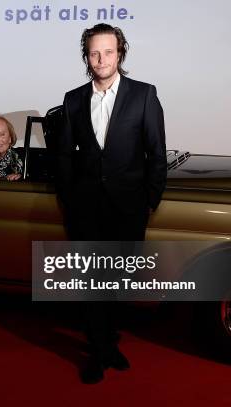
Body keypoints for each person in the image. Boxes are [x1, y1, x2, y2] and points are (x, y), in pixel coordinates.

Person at [56, 23, 167, 383]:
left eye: (108, 51)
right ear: (86, 57)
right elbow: (64, 158)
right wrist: (68, 200)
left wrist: (149, 200)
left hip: (128, 207)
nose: (100, 59)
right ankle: (100, 351)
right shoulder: (73, 99)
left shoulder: (144, 95)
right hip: (85, 208)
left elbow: (157, 154)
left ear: (120, 52)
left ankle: (107, 339)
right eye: (93, 52)